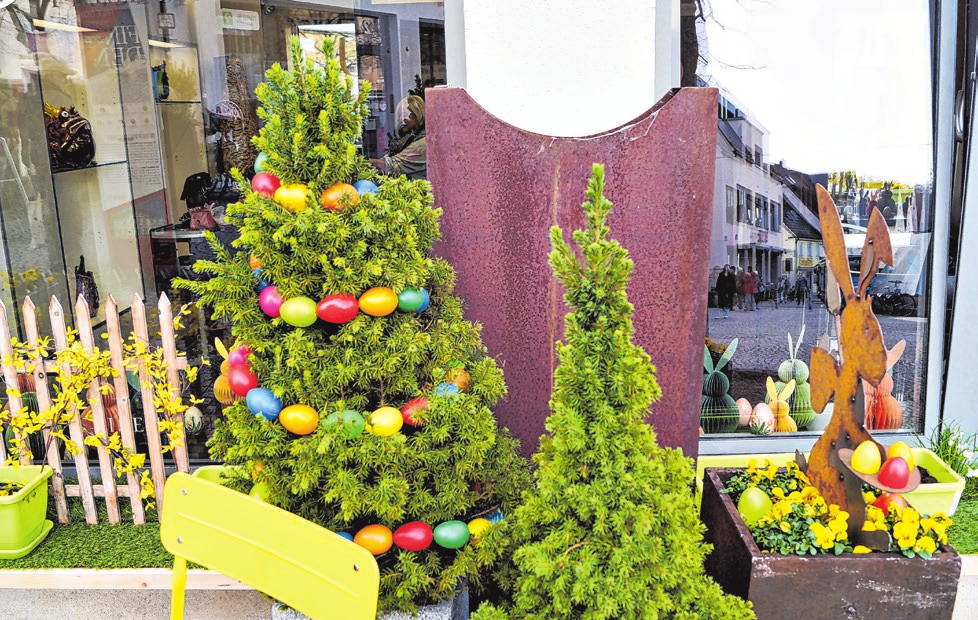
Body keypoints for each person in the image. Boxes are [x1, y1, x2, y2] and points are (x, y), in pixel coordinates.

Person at [369, 95, 427, 180]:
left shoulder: (423, 143)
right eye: (399, 115)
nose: (400, 119)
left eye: (404, 115)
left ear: (417, 115)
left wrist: (365, 162)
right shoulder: (408, 137)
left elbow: (391, 165)